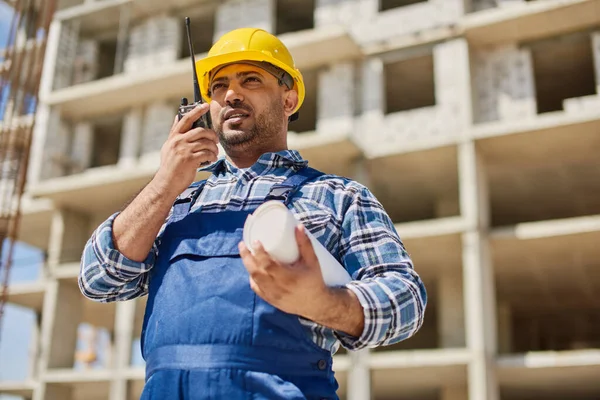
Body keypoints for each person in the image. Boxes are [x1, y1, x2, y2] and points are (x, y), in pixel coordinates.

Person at [79, 27, 427, 399]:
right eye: (218, 86)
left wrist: (324, 303)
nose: (231, 94)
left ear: (289, 99)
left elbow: (406, 298)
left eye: (251, 80)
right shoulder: (175, 203)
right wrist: (165, 183)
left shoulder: (338, 197)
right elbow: (99, 280)